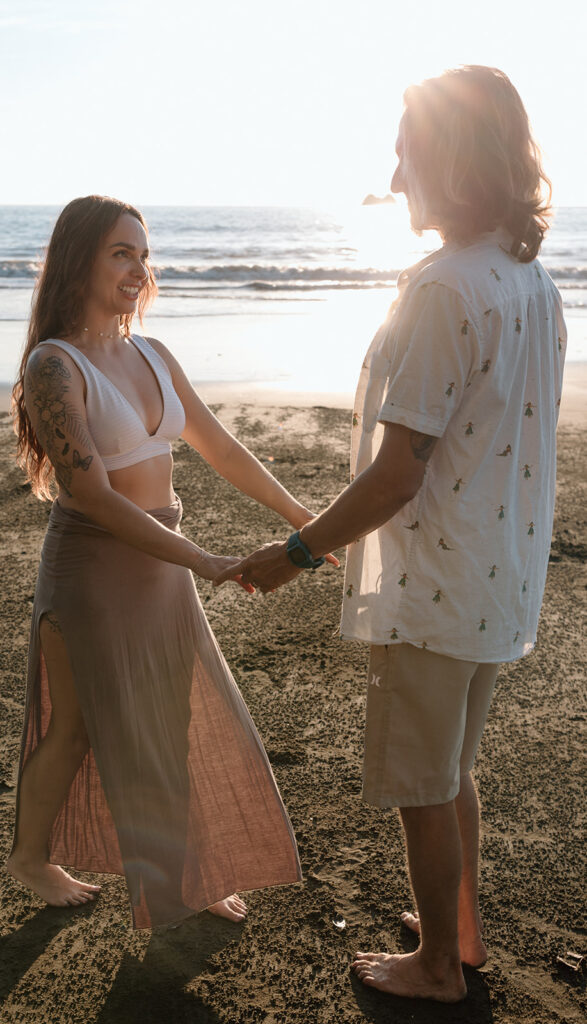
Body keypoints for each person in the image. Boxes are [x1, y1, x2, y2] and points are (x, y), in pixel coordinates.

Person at [217, 66, 565, 1000]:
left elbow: (397, 470)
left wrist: (294, 553)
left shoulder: (444, 289)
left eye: (406, 147)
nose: (395, 168)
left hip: (440, 577)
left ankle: (438, 969)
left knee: (422, 779)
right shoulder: (528, 279)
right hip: (498, 571)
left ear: (447, 157)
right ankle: (459, 929)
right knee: (451, 766)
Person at [7, 195, 332, 929]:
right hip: (93, 572)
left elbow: (221, 448)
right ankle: (30, 857)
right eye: (121, 253)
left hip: (160, 566)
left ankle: (187, 872)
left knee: (173, 718)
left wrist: (300, 516)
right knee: (80, 728)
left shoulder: (154, 353)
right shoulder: (53, 365)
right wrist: (206, 560)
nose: (138, 269)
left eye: (143, 255)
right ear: (79, 260)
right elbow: (89, 495)